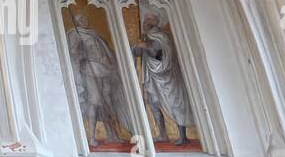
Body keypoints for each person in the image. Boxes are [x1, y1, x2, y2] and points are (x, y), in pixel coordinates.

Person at [66, 10, 129, 146]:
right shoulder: (75, 33)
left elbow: (105, 51)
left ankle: (113, 135)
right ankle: (91, 137)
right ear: (76, 21)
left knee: (107, 101)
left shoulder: (94, 34)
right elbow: (73, 53)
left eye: (85, 18)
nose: (84, 20)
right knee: (95, 101)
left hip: (104, 69)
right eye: (81, 18)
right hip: (90, 69)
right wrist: (81, 53)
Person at [132, 12, 194, 146]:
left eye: (148, 19)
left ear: (156, 22)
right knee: (153, 102)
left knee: (174, 103)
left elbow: (160, 55)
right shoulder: (146, 36)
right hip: (151, 76)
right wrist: (137, 47)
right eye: (145, 19)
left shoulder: (162, 37)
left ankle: (182, 135)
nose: (145, 21)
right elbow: (137, 53)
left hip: (166, 76)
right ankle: (163, 134)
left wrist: (147, 47)